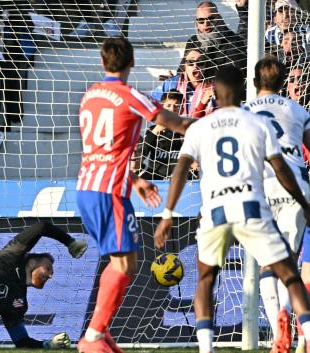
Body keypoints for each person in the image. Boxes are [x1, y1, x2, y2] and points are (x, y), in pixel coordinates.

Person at [154, 65, 310, 353]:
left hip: (216, 209)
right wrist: (304, 202)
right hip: (253, 203)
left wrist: (167, 214)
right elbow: (282, 169)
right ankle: (305, 334)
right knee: (288, 272)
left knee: (205, 279)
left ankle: (206, 349)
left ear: (215, 93)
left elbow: (180, 169)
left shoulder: (201, 126)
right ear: (242, 89)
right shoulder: (260, 121)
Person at [76, 37, 193, 353]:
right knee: (126, 264)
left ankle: (99, 331)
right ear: (132, 63)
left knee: (118, 261)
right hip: (110, 192)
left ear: (103, 63)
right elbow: (176, 123)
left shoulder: (90, 96)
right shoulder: (130, 96)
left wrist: (136, 180)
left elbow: (103, 151)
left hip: (87, 187)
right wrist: (216, 125)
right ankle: (93, 336)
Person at [243, 57, 310, 353]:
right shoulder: (298, 110)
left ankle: (277, 336)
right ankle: (285, 312)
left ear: (255, 82)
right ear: (283, 83)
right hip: (295, 187)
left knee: (266, 264)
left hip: (260, 188)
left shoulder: (243, 112)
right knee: (289, 264)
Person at [134, 90, 195, 180]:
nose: (172, 109)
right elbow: (141, 154)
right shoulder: (152, 130)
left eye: (177, 106)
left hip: (179, 178)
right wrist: (155, 131)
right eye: (168, 105)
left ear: (182, 109)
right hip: (156, 178)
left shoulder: (187, 131)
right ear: (162, 108)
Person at [151, 45, 216, 118]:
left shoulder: (213, 87)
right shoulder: (172, 83)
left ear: (206, 66)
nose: (195, 66)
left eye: (200, 62)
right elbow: (151, 103)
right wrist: (160, 124)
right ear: (185, 65)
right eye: (190, 62)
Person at [182, 2, 246, 72]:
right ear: (196, 23)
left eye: (211, 19)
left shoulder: (233, 41)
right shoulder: (192, 42)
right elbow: (182, 70)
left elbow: (234, 75)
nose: (206, 24)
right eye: (201, 20)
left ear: (218, 18)